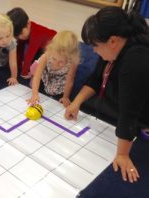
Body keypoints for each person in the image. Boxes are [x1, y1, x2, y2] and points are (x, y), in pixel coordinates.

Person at [64, 6, 149, 183]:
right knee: (87, 105)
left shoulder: (135, 61)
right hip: (118, 98)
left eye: (95, 46)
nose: (93, 51)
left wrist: (123, 155)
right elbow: (95, 79)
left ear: (112, 41)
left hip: (141, 111)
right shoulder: (115, 49)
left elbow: (129, 114)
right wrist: (76, 102)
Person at [27, 31, 80, 107]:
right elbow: (37, 76)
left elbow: (69, 81)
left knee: (58, 101)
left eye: (61, 62)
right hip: (46, 77)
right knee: (36, 86)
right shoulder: (47, 55)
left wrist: (65, 97)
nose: (56, 63)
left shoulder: (72, 62)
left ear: (70, 57)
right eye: (54, 59)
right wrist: (34, 94)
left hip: (60, 81)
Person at [7, 7, 57, 78]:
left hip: (55, 47)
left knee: (42, 65)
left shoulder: (36, 34)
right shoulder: (24, 30)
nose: (19, 37)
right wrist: (18, 64)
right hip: (41, 48)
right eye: (16, 35)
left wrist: (24, 73)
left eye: (21, 33)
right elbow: (20, 47)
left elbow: (30, 54)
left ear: (28, 24)